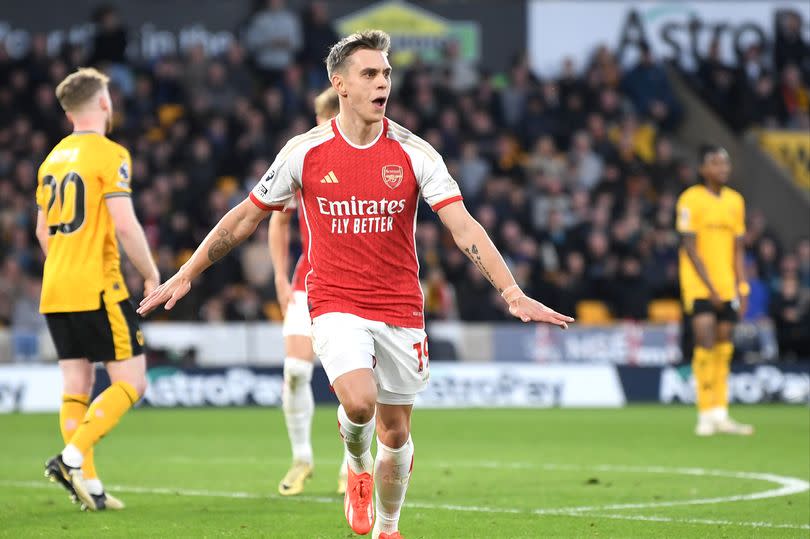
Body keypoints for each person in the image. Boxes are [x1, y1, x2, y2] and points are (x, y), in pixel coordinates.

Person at [138, 30, 573, 539]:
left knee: (398, 432)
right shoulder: (305, 152)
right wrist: (187, 274)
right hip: (335, 303)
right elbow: (244, 219)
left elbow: (464, 227)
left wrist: (512, 293)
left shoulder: (415, 153)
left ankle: (388, 525)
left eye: (386, 73)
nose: (382, 82)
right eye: (370, 74)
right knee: (360, 402)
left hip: (401, 307)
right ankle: (355, 462)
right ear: (339, 85)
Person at [37, 67, 159, 510]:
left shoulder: (51, 158)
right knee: (133, 380)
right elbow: (125, 223)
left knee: (77, 382)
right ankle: (71, 460)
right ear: (104, 102)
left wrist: (67, 262)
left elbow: (42, 233)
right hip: (97, 285)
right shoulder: (110, 154)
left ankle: (91, 485)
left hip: (56, 286)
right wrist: (150, 272)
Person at [269, 86, 350, 496]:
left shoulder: (370, 155)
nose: (321, 136)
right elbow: (277, 220)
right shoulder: (303, 159)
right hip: (308, 282)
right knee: (297, 372)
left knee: (352, 386)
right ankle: (302, 458)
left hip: (358, 289)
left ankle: (352, 466)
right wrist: (281, 278)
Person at [676, 145, 753, 437]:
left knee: (724, 348)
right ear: (703, 169)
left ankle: (721, 413)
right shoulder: (690, 200)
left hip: (727, 285)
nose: (723, 168)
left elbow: (738, 249)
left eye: (725, 163)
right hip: (699, 287)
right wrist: (711, 288)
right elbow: (690, 248)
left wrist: (742, 286)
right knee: (704, 343)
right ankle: (704, 413)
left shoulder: (736, 201)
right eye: (716, 163)